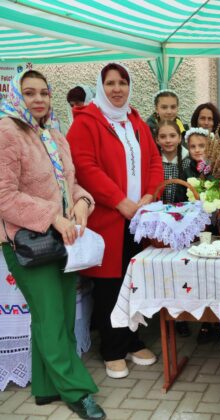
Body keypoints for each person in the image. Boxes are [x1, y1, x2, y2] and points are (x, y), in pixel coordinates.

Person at [0, 70, 105, 419]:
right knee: (49, 316)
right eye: (29, 93)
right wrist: (53, 217)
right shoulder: (7, 132)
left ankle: (47, 387)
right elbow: (4, 196)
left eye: (44, 92)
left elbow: (69, 185)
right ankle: (76, 391)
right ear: (17, 96)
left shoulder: (54, 134)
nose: (39, 99)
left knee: (60, 315)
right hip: (26, 241)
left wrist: (82, 203)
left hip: (62, 240)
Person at [67, 63, 163, 380]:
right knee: (110, 287)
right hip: (109, 220)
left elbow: (153, 161)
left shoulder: (135, 121)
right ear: (101, 86)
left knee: (135, 283)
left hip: (138, 220)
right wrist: (120, 201)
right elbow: (85, 167)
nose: (117, 89)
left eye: (123, 82)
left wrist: (149, 196)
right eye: (110, 83)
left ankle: (133, 341)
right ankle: (112, 349)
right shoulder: (86, 122)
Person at [156, 119, 190, 203]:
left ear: (180, 138)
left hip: (183, 209)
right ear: (157, 140)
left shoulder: (188, 162)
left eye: (172, 136)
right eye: (163, 137)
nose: (168, 140)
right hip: (158, 209)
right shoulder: (154, 163)